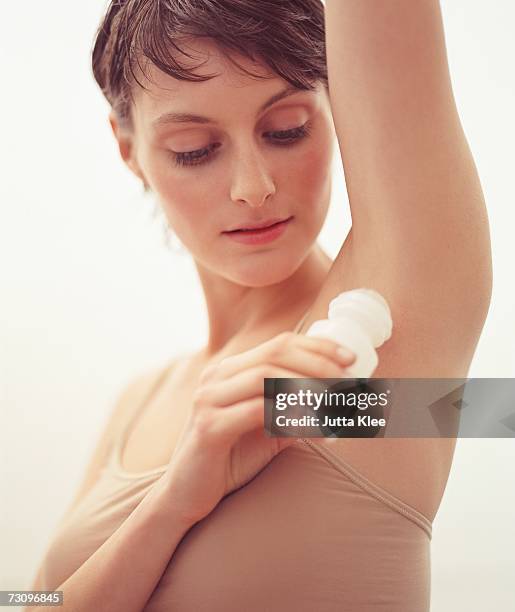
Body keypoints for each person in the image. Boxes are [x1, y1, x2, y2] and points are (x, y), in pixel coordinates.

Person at [25, 1, 492, 610]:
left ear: (338, 114)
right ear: (128, 148)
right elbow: (29, 602)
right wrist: (171, 505)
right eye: (194, 149)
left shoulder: (371, 334)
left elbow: (468, 411)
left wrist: (474, 408)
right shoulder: (139, 402)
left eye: (287, 129)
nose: (253, 187)